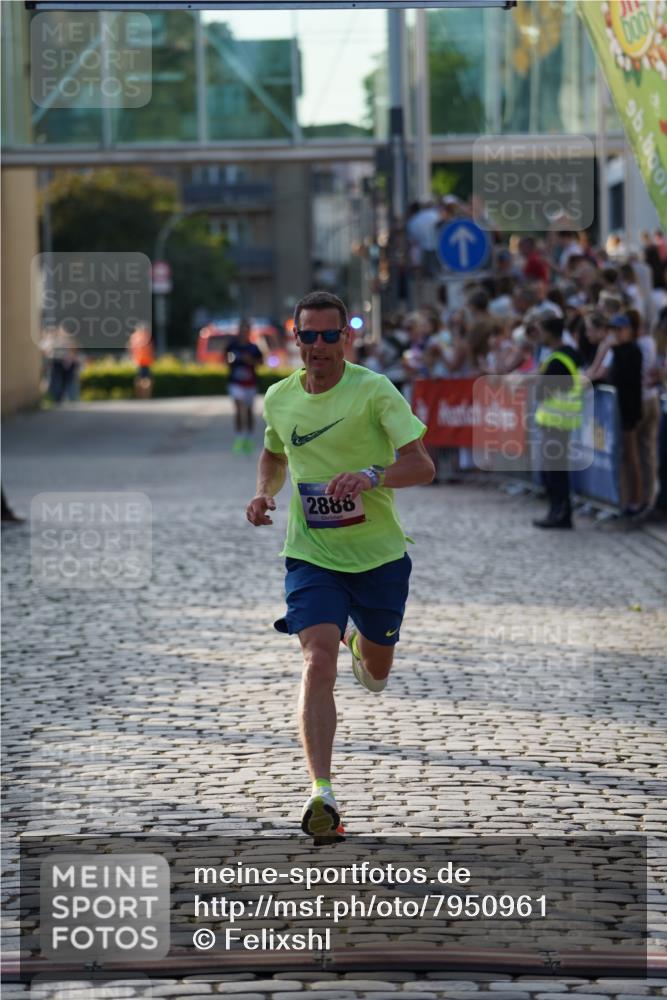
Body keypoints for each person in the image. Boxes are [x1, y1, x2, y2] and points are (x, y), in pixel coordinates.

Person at [245, 290, 434, 839]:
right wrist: (262, 492)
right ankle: (321, 794)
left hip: (378, 557)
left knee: (376, 673)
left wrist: (372, 476)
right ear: (295, 337)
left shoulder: (374, 390)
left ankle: (363, 646)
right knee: (316, 661)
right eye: (311, 336)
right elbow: (275, 453)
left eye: (332, 335)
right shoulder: (279, 397)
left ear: (346, 339)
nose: (321, 346)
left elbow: (422, 466)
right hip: (312, 554)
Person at [533, 315, 584, 529]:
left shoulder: (557, 360)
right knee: (556, 470)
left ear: (549, 332)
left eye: (540, 331)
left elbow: (541, 392)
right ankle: (558, 512)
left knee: (555, 471)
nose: (538, 336)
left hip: (556, 421)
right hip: (562, 420)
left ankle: (560, 514)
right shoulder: (568, 354)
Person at [227, 318, 263, 454]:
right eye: (242, 329)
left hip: (250, 383)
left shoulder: (253, 347)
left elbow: (261, 361)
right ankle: (239, 438)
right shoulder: (232, 346)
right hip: (235, 383)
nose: (243, 332)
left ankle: (249, 438)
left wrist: (251, 360)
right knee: (238, 408)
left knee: (248, 411)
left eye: (246, 330)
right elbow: (225, 359)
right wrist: (233, 360)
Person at [128, 324, 155, 400]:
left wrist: (132, 359)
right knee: (146, 380)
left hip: (139, 361)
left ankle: (140, 395)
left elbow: (130, 348)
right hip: (145, 361)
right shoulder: (147, 336)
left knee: (140, 379)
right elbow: (151, 349)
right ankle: (146, 396)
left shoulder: (134, 336)